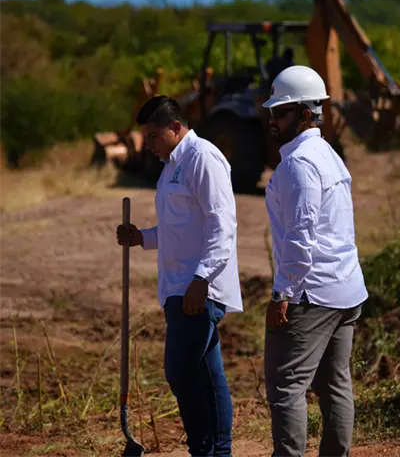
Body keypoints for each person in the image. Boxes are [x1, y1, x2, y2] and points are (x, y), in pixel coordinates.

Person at [116, 95, 242, 456]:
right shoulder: (172, 164)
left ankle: (206, 451)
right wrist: (143, 238)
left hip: (198, 290)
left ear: (175, 127)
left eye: (153, 136)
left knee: (181, 372)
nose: (148, 145)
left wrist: (201, 280)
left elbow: (222, 224)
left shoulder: (203, 158)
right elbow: (181, 228)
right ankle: (218, 452)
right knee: (207, 375)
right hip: (179, 289)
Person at [262, 65, 368, 456]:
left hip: (312, 294)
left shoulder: (299, 164)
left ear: (306, 113)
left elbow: (300, 237)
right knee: (336, 384)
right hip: (346, 289)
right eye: (273, 111)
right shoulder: (328, 155)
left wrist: (281, 294)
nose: (273, 119)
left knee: (287, 387)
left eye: (281, 112)